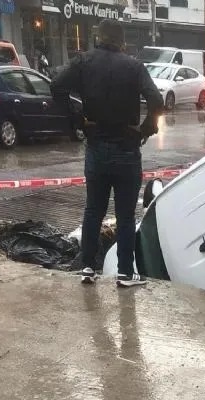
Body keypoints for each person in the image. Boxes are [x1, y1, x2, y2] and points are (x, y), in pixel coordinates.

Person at [51, 19, 164, 287]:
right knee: (126, 215)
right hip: (126, 148)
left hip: (97, 146)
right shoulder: (134, 67)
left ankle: (88, 267)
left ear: (98, 38)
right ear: (122, 41)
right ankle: (125, 273)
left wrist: (79, 120)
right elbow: (157, 101)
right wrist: (145, 130)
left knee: (93, 211)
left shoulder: (84, 62)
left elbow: (56, 86)